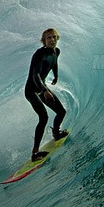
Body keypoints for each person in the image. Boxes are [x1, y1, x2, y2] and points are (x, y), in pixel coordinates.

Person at [25, 28, 68, 161]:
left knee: (61, 112)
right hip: (32, 90)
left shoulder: (56, 51)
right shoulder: (39, 54)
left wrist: (56, 76)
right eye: (49, 38)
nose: (52, 40)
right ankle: (35, 153)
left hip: (42, 89)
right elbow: (35, 75)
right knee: (43, 117)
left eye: (54, 37)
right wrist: (45, 91)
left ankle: (56, 133)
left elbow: (54, 63)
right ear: (44, 41)